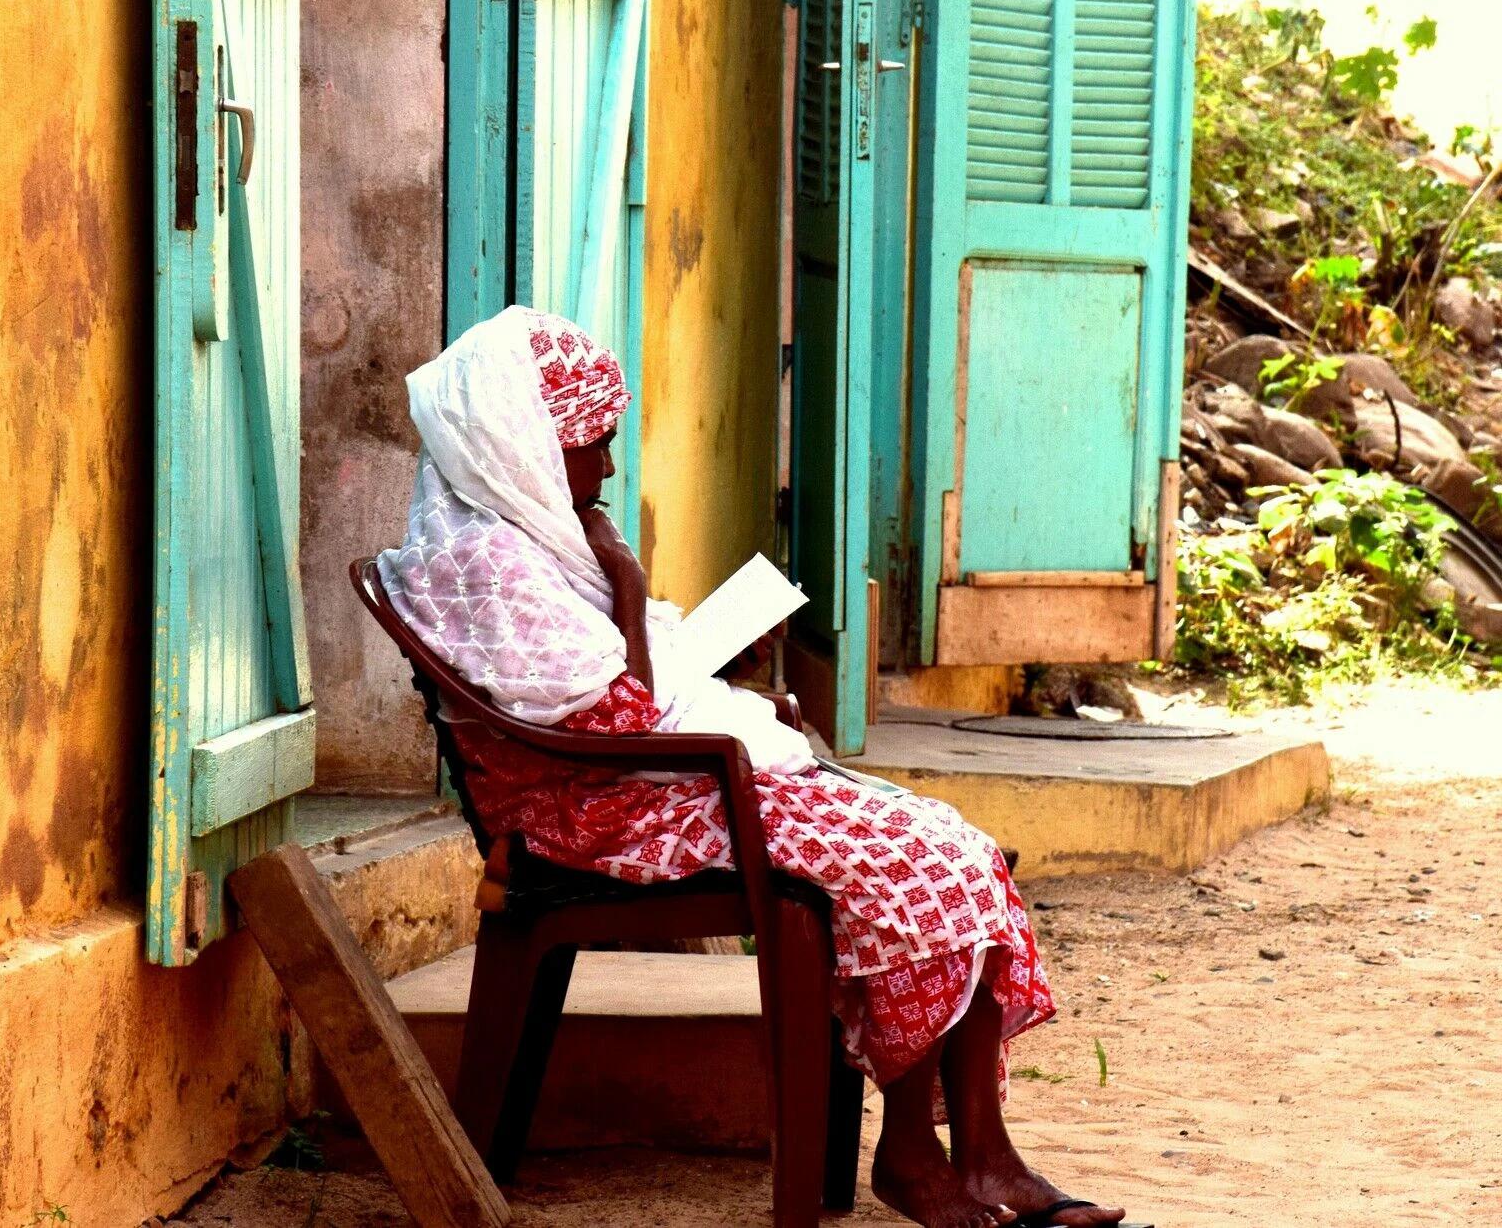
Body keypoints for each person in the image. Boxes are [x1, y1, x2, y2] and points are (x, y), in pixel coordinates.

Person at [380, 307, 1145, 1228]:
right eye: (595, 443)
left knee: (959, 846)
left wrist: (707, 676)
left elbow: (616, 695)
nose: (608, 469)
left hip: (655, 786)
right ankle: (913, 1154)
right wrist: (629, 587)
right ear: (527, 441)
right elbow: (621, 721)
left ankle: (983, 1154)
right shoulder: (484, 564)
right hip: (598, 812)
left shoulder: (522, 532)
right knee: (922, 866)